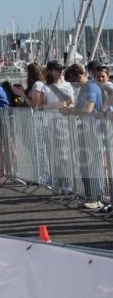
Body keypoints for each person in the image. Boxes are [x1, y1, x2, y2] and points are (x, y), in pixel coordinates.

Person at [61, 63, 107, 210]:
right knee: (85, 165)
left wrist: (70, 112)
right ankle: (90, 196)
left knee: (92, 165)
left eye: (72, 81)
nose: (71, 85)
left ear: (79, 76)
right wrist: (70, 109)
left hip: (94, 130)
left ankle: (96, 197)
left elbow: (88, 110)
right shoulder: (84, 89)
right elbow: (81, 108)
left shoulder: (91, 87)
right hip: (86, 130)